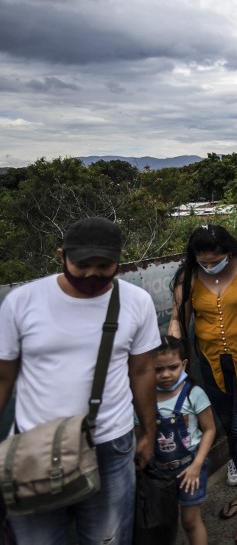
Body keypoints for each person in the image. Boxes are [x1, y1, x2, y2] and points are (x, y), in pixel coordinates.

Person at [0, 217, 161, 544]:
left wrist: (148, 432)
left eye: (104, 265)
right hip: (35, 448)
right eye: (82, 264)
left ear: (118, 258)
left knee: (108, 537)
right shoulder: (23, 301)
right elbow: (4, 377)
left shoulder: (136, 301)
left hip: (110, 445)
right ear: (61, 256)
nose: (93, 274)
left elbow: (143, 371)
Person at [169, 224, 237, 545]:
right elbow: (179, 317)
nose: (208, 265)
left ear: (229, 251)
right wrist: (173, 350)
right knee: (231, 426)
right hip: (213, 364)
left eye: (214, 259)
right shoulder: (188, 275)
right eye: (202, 260)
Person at [141, 335, 215, 545]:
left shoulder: (194, 394)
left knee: (190, 521)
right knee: (164, 522)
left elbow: (209, 429)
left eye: (172, 367)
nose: (165, 374)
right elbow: (141, 436)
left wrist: (197, 464)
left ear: (184, 364)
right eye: (158, 369)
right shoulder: (145, 398)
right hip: (159, 472)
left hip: (190, 467)